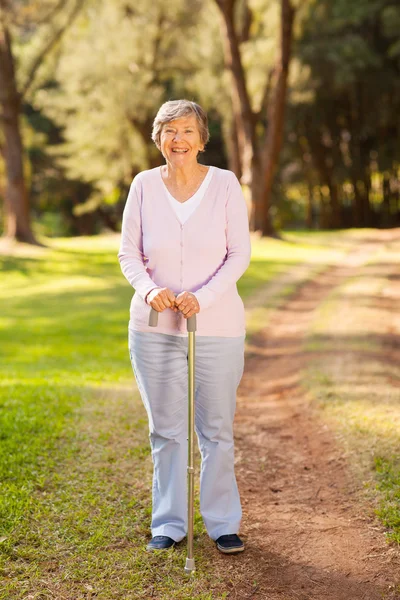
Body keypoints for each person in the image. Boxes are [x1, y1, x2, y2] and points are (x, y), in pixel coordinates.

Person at [118, 99, 251, 554]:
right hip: (154, 327)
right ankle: (169, 525)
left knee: (215, 429)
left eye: (187, 131)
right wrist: (149, 289)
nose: (178, 139)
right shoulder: (143, 185)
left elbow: (239, 254)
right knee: (166, 430)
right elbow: (128, 254)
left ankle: (222, 523)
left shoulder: (226, 185)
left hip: (218, 326)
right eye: (169, 130)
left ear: (202, 139)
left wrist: (204, 296)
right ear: (158, 138)